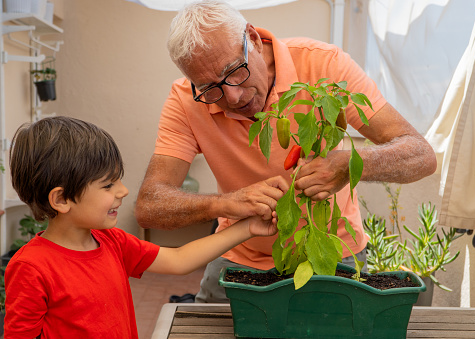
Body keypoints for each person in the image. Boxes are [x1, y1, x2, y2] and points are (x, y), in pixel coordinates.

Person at [135, 0, 437, 303]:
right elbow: (150, 205)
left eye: (234, 71)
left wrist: (348, 165)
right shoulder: (186, 101)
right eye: (210, 87)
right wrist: (225, 204)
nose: (233, 96)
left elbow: (420, 155)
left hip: (330, 251)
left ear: (252, 38)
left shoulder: (324, 65)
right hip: (241, 253)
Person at [3, 116, 277, 338]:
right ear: (61, 199)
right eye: (108, 185)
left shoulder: (112, 241)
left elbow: (179, 260)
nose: (123, 191)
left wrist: (247, 228)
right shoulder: (31, 268)